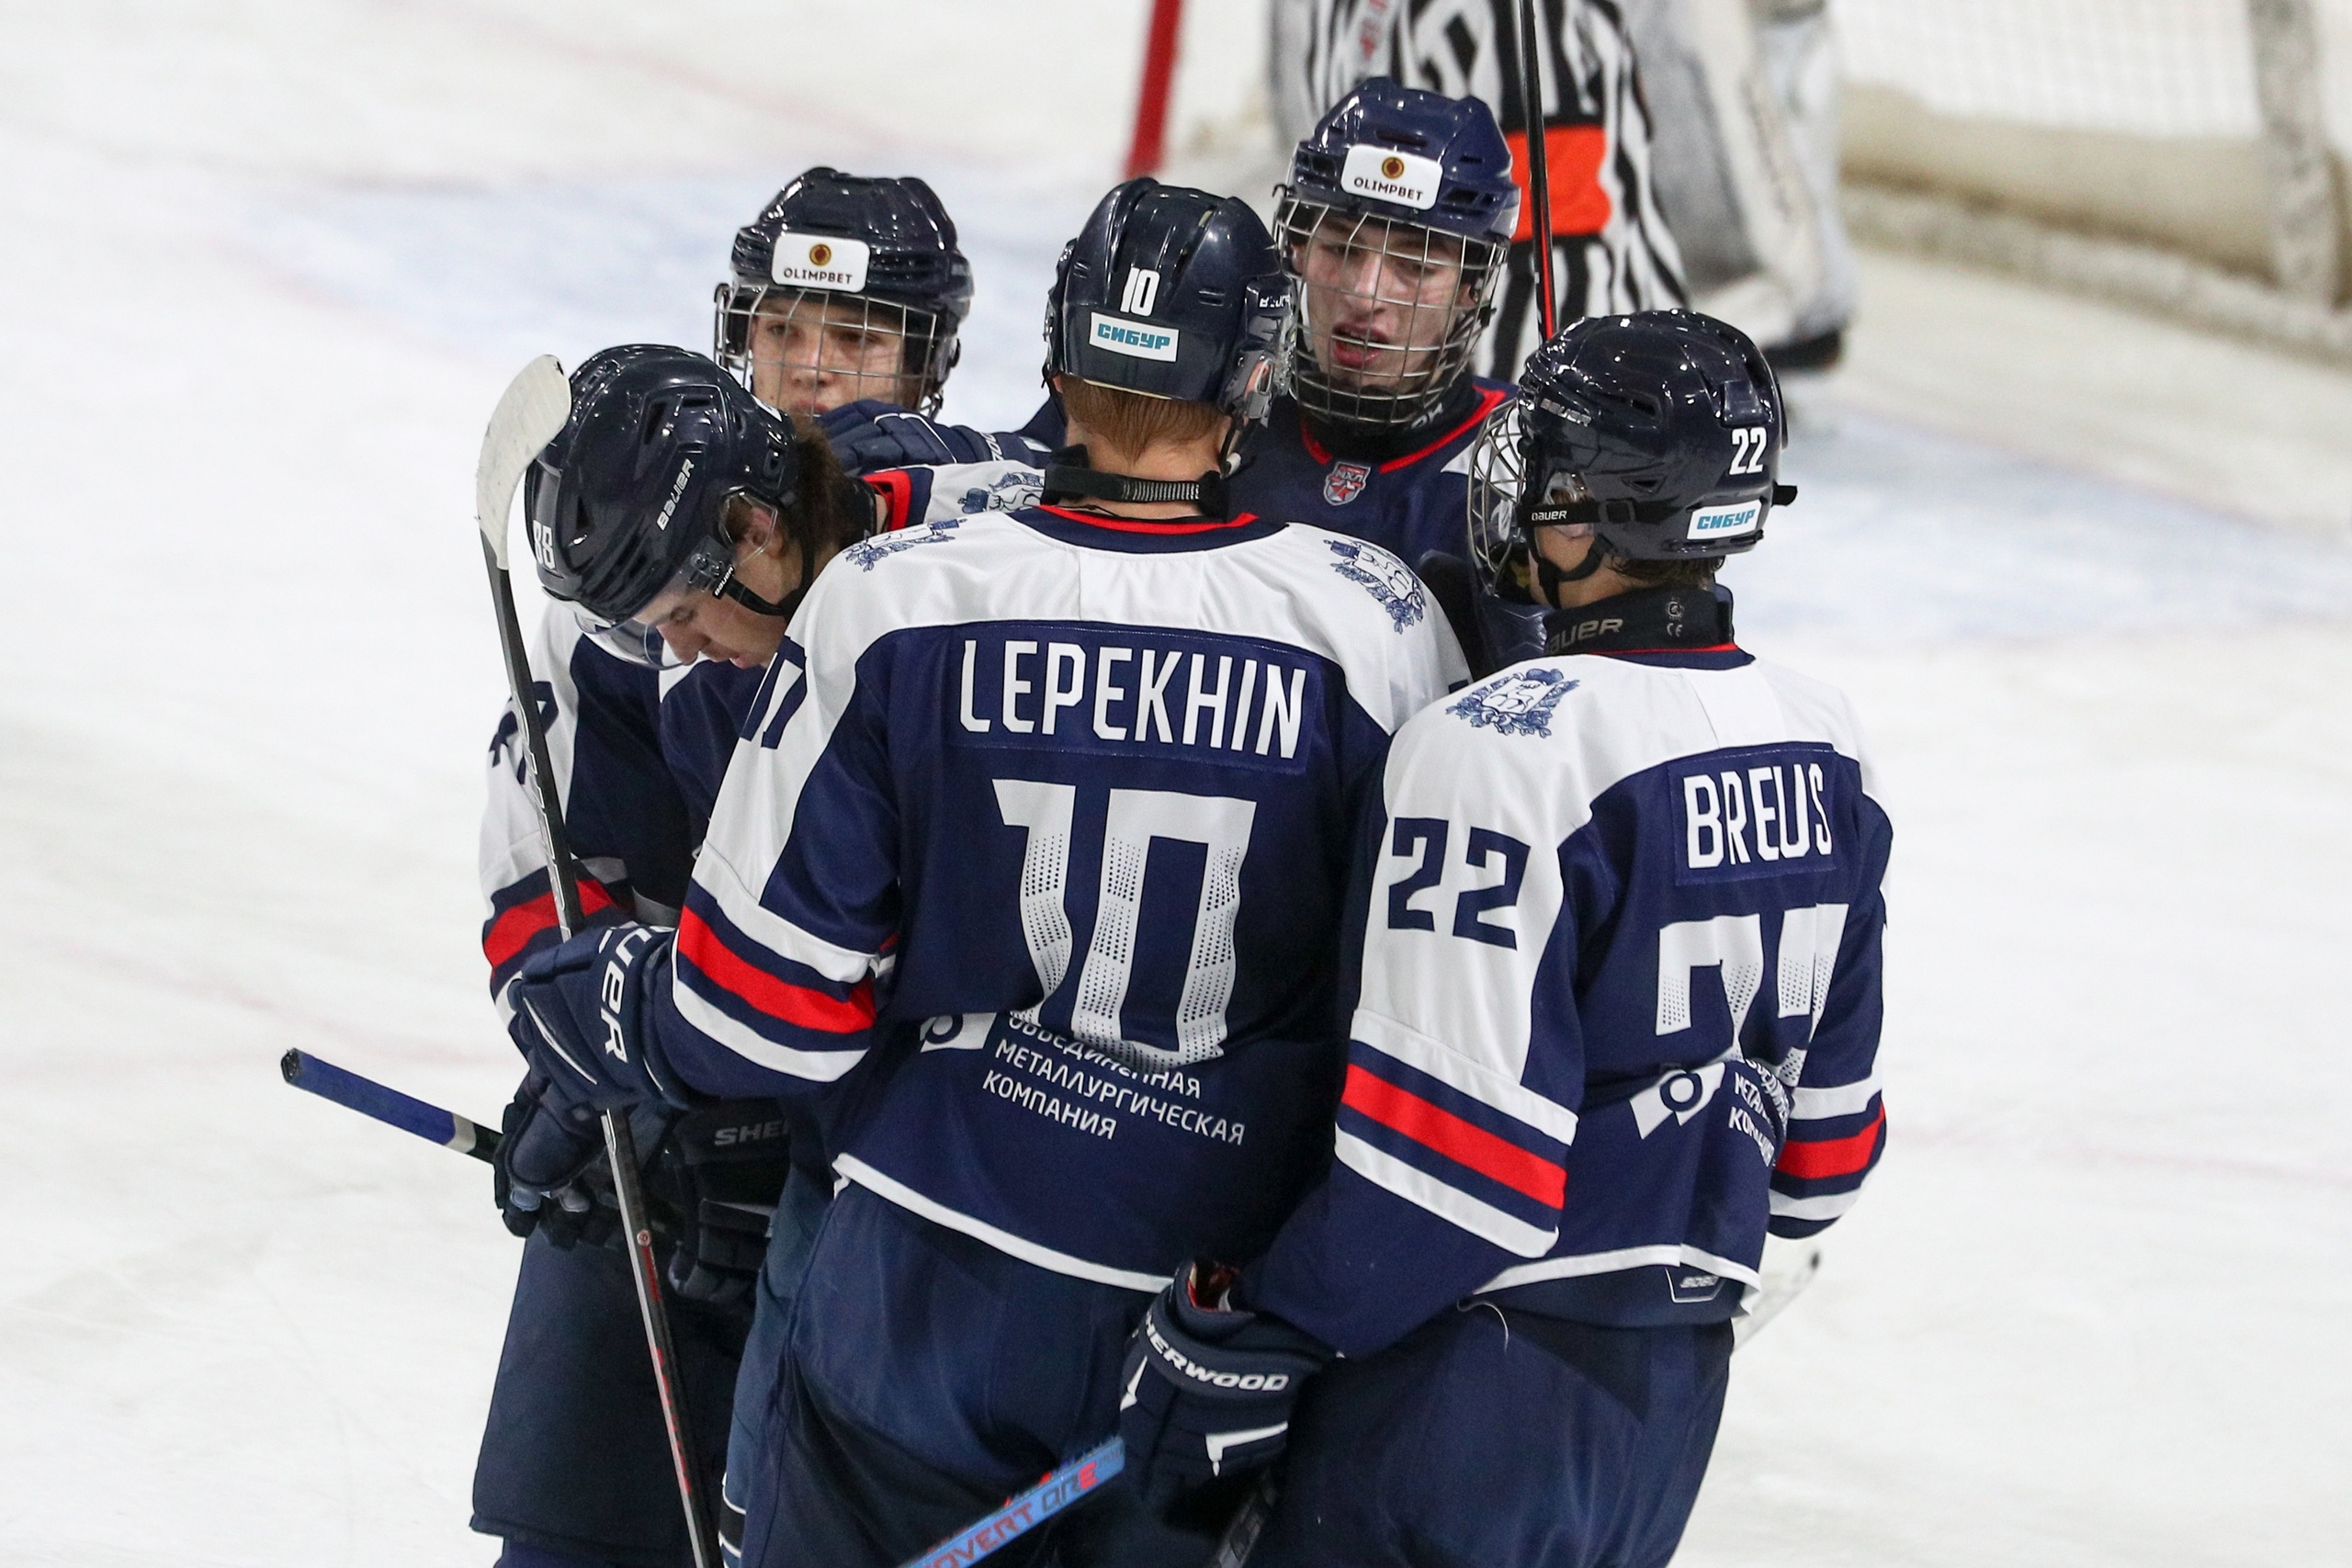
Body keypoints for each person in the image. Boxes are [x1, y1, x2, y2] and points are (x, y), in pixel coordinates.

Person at [492, 178, 1464, 1568]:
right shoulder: (1380, 623)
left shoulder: (900, 594)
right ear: (1257, 378)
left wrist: (615, 1019)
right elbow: (1417, 999)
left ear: (1054, 363)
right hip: (1192, 1289)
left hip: (923, 1254)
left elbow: (760, 1010)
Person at [1117, 310, 1892, 1568]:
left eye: (1538, 458)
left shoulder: (1498, 749)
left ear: (1588, 509)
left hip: (1460, 1388)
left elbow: (1453, 1174)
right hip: (1664, 1411)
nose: (1509, 481)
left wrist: (1257, 1329)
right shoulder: (1828, 741)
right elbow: (1826, 1160)